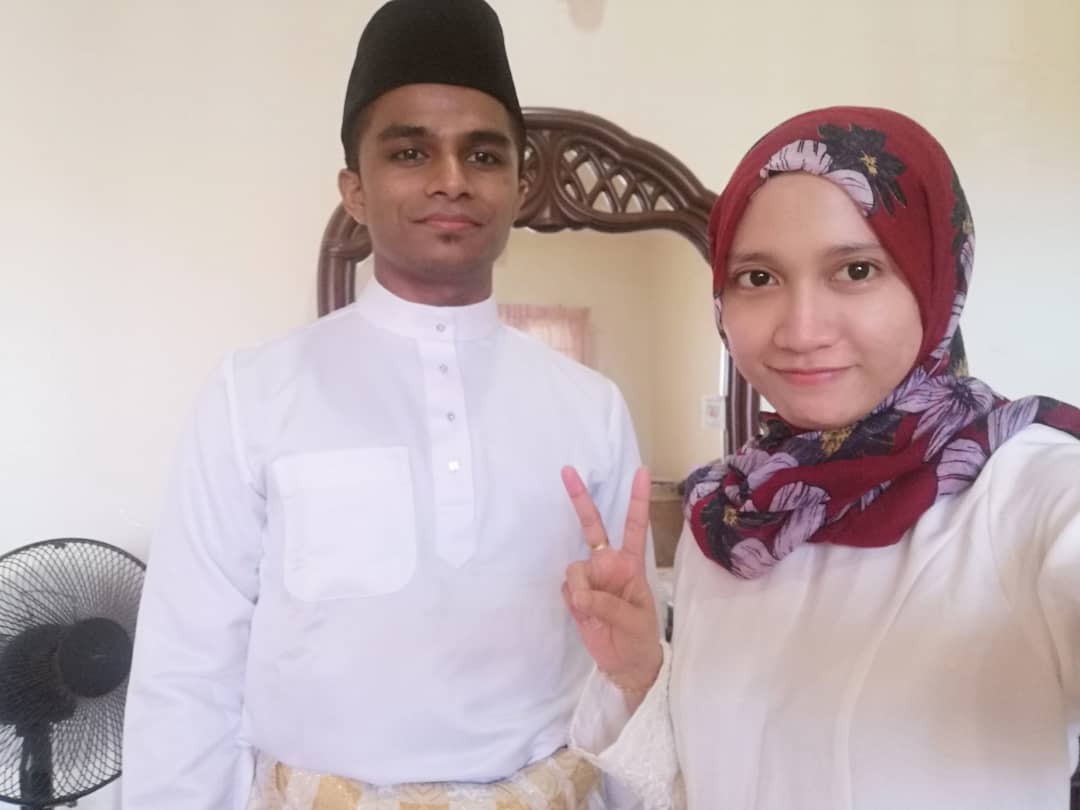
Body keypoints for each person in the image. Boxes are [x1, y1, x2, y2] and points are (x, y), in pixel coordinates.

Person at [122, 2, 655, 807]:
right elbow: (187, 671)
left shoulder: (591, 408)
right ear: (356, 190)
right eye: (411, 151)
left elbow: (620, 662)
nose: (452, 179)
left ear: (518, 186)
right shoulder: (254, 394)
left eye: (483, 154)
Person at [560, 106, 1080, 809]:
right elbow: (706, 786)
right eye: (757, 278)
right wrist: (639, 673)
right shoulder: (729, 517)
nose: (801, 331)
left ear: (935, 281)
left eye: (856, 270)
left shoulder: (1027, 489)